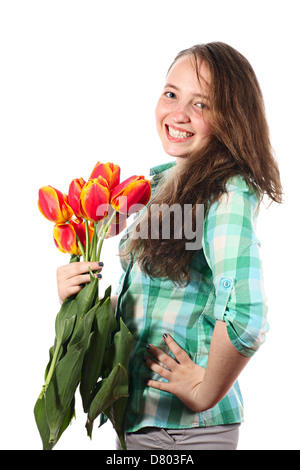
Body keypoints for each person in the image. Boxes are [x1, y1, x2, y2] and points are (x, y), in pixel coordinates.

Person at [56, 42, 282, 450]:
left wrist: (204, 389)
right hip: (141, 424)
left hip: (184, 434)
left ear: (233, 118)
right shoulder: (158, 188)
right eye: (171, 93)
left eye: (203, 105)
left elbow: (248, 313)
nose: (178, 114)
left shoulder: (227, 195)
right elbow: (144, 304)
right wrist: (78, 298)